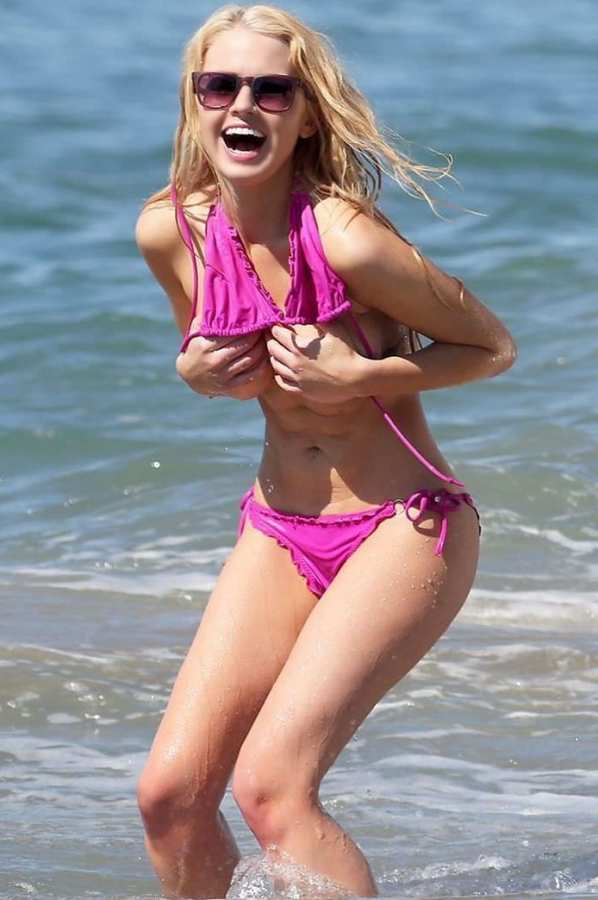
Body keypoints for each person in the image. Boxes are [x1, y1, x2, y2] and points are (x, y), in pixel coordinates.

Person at [134, 5, 517, 899]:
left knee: (271, 789)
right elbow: (204, 352)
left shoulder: (346, 238)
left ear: (306, 116)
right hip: (279, 528)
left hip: (403, 527)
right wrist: (195, 374)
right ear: (195, 102)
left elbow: (493, 347)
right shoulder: (170, 231)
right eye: (220, 86)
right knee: (170, 799)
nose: (243, 105)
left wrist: (362, 375)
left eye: (272, 90)